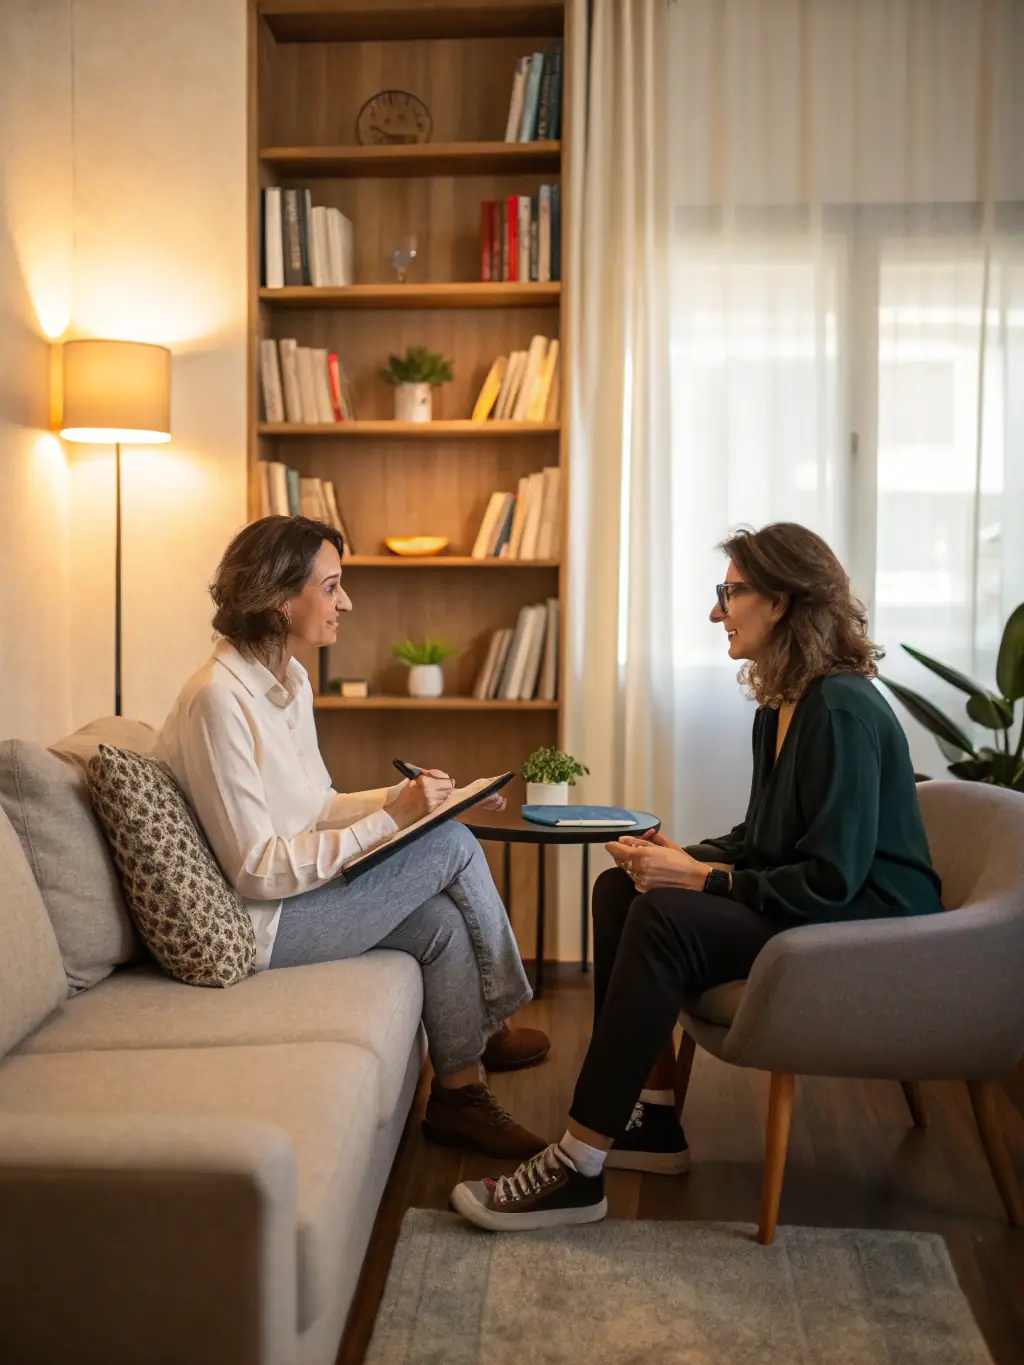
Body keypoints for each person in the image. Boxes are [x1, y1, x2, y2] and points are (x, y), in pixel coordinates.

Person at [452, 521, 944, 1229]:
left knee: (665, 912)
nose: (718, 611)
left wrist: (701, 883)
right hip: (822, 903)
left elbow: (831, 879)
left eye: (730, 591)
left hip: (870, 927)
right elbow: (765, 838)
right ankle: (648, 1119)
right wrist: (683, 855)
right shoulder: (783, 705)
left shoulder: (839, 708)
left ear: (780, 601)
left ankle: (578, 1166)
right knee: (624, 887)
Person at [155, 515, 550, 1159]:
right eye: (332, 586)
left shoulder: (292, 682)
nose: (346, 602)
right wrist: (396, 823)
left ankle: (458, 1095)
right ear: (282, 599)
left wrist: (402, 800)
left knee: (439, 919)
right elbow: (255, 870)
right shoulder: (216, 701)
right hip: (262, 924)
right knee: (450, 845)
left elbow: (318, 805)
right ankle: (495, 1013)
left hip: (293, 900)